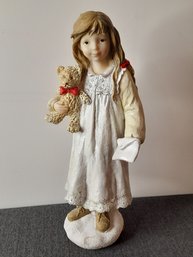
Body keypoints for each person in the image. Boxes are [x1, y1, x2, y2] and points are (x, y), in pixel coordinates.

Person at [54, 11, 145, 233]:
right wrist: (59, 106)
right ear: (78, 44)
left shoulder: (119, 75)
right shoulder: (80, 73)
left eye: (101, 40)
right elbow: (67, 96)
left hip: (109, 134)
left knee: (103, 167)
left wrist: (132, 136)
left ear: (111, 39)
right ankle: (84, 204)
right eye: (87, 41)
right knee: (84, 165)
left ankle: (103, 208)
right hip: (84, 134)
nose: (94, 47)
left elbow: (132, 107)